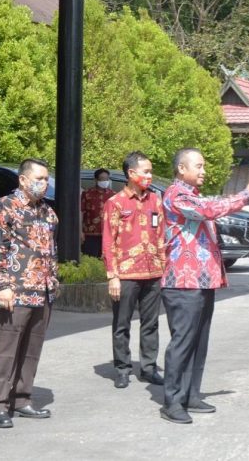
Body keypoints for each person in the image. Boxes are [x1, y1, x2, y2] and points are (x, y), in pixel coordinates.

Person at [159, 148, 249, 424]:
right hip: (182, 282)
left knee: (199, 341)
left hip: (201, 279)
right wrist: (247, 192)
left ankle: (191, 393)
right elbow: (210, 210)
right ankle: (172, 401)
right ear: (181, 169)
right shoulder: (176, 194)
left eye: (203, 165)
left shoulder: (193, 195)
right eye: (198, 165)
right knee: (183, 342)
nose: (203, 170)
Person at [0, 158, 58, 429]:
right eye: (39, 178)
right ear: (23, 180)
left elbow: (52, 249)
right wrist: (3, 284)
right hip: (16, 290)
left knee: (32, 348)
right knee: (8, 349)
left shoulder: (47, 212)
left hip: (43, 289)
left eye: (46, 178)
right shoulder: (3, 207)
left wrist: (53, 281)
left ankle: (23, 398)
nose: (44, 183)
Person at [102, 152, 166, 389]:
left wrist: (164, 268)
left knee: (151, 323)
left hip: (153, 272)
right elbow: (108, 241)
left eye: (150, 172)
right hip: (126, 274)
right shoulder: (115, 203)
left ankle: (149, 368)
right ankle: (122, 368)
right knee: (122, 323)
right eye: (146, 171)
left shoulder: (156, 201)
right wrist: (113, 276)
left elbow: (161, 236)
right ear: (131, 173)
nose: (149, 176)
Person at [81, 167, 115, 257]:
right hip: (90, 234)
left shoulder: (113, 195)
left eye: (106, 179)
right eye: (102, 179)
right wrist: (80, 231)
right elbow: (81, 212)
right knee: (90, 259)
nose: (105, 181)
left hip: (108, 233)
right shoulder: (87, 194)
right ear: (96, 180)